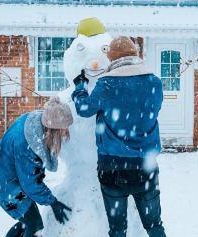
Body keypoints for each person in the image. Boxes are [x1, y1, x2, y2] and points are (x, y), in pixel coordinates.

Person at [71, 36, 166, 237]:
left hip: (112, 167)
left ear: (112, 58)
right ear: (135, 55)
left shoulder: (107, 84)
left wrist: (80, 87)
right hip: (145, 166)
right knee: (154, 226)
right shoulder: (155, 83)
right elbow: (151, 112)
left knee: (117, 230)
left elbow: (84, 109)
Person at [0, 96, 74, 237]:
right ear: (54, 130)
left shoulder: (38, 123)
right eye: (63, 130)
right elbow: (30, 184)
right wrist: (53, 202)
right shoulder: (28, 145)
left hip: (4, 174)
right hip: (3, 182)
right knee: (35, 224)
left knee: (27, 221)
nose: (66, 134)